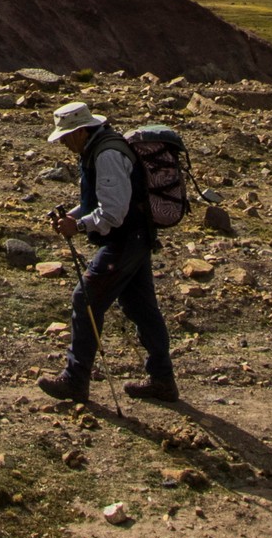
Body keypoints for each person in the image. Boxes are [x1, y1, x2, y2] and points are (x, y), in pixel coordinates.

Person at [38, 101, 177, 405]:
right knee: (141, 308)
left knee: (85, 298)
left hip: (124, 240)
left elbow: (112, 212)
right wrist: (74, 217)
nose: (63, 142)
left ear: (81, 131)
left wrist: (79, 226)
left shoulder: (107, 154)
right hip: (136, 237)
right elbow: (101, 202)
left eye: (66, 136)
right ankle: (162, 380)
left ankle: (76, 380)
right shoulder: (99, 148)